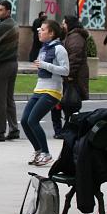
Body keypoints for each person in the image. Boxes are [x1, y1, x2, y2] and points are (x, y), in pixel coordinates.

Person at [21, 20, 69, 166]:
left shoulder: (59, 49)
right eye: (39, 29)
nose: (39, 32)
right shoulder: (44, 47)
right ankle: (39, 150)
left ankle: (46, 153)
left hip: (52, 90)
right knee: (24, 121)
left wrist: (45, 65)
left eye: (42, 29)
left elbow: (66, 70)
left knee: (33, 120)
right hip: (39, 88)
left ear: (52, 33)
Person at [51, 15, 90, 137]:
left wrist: (68, 74)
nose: (63, 26)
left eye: (64, 23)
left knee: (68, 105)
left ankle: (65, 131)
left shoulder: (75, 38)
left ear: (69, 24)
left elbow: (74, 58)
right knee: (62, 105)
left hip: (72, 79)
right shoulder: (71, 36)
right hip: (69, 78)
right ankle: (62, 131)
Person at [0, 0, 20, 142]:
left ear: (8, 11)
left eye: (0, 10)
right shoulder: (13, 23)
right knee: (8, 99)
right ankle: (14, 129)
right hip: (13, 64)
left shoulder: (3, 26)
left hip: (1, 66)